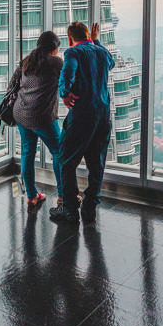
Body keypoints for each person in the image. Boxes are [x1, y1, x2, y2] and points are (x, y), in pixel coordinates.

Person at [50, 21, 115, 225]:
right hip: (103, 116)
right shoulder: (102, 53)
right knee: (96, 165)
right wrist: (96, 41)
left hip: (82, 116)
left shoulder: (72, 53)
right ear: (89, 35)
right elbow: (110, 63)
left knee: (66, 161)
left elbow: (66, 76)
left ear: (70, 39)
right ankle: (89, 209)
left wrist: (64, 93)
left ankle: (69, 210)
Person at [10, 30, 65, 207]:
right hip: (41, 116)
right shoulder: (56, 62)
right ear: (54, 48)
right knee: (59, 152)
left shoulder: (27, 61)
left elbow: (12, 84)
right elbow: (68, 80)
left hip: (21, 113)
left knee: (28, 152)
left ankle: (32, 196)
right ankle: (63, 195)